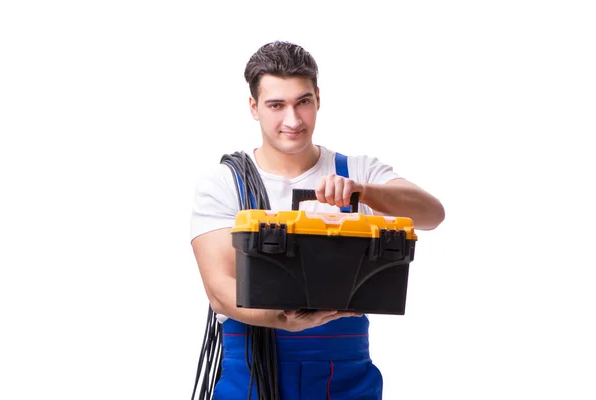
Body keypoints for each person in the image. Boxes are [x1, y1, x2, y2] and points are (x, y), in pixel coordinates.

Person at [190, 41, 445, 399]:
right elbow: (219, 290)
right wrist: (283, 321)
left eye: (303, 102)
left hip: (344, 377)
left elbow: (432, 215)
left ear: (318, 99)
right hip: (248, 375)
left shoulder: (357, 170)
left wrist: (364, 191)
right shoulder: (225, 182)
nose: (292, 120)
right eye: (276, 105)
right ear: (254, 107)